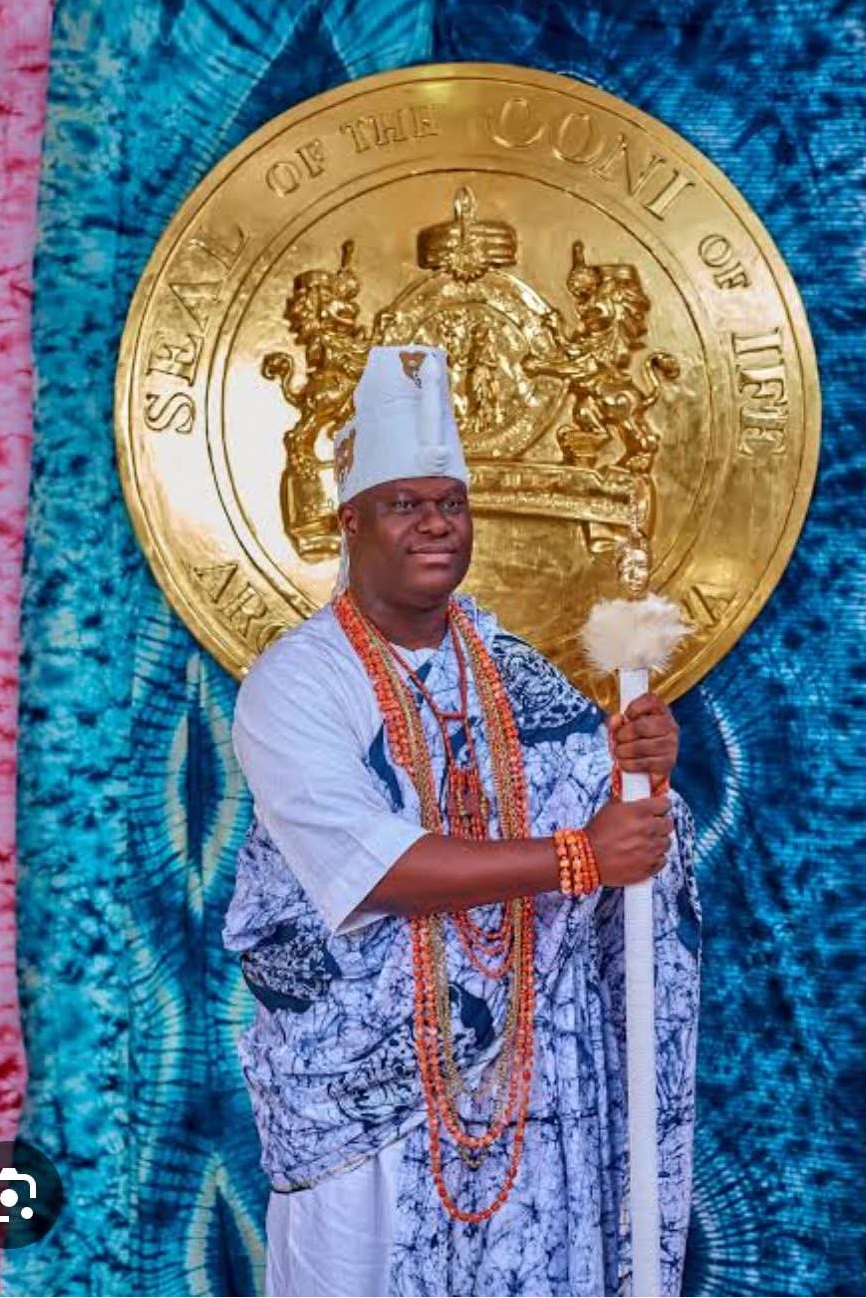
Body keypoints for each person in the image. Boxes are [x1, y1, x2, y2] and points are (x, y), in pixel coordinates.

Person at [222, 345, 702, 1298]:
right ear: (350, 520)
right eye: (405, 503)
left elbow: (619, 824)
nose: (436, 522)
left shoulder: (510, 667)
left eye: (451, 501)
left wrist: (644, 773)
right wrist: (579, 855)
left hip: (528, 1098)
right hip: (358, 1112)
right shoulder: (297, 682)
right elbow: (372, 869)